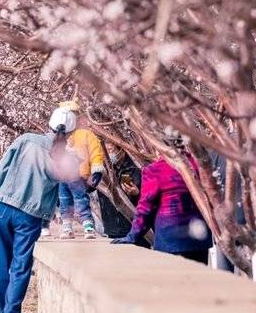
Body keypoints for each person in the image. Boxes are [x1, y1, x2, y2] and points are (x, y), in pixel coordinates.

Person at [0, 114, 74, 313]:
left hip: (5, 205)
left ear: (49, 124)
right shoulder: (64, 157)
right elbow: (60, 190)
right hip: (31, 215)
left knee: (0, 262)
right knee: (21, 264)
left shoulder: (26, 140)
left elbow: (3, 168)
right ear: (70, 133)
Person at [111, 133, 213, 264]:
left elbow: (145, 207)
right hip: (199, 238)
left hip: (170, 239)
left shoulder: (155, 170)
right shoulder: (198, 165)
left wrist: (132, 236)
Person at [51, 103, 105, 239]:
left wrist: (96, 168)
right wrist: (96, 168)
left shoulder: (60, 136)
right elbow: (95, 152)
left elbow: (95, 152)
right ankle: (75, 226)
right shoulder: (84, 134)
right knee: (73, 200)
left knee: (74, 200)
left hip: (72, 174)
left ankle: (81, 226)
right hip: (70, 175)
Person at [98, 143, 142, 238]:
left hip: (133, 224)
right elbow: (88, 188)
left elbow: (147, 196)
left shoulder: (135, 168)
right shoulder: (101, 169)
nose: (108, 154)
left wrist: (136, 193)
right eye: (105, 151)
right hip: (112, 227)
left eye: (111, 150)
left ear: (121, 151)